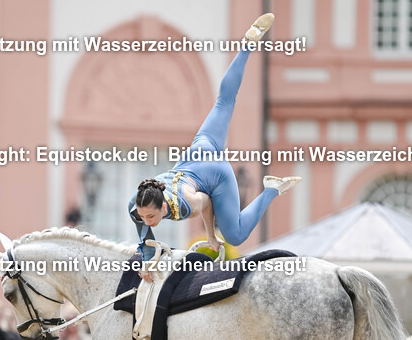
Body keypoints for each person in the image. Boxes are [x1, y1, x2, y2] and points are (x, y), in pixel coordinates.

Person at [129, 14, 301, 276]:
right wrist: (146, 263)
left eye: (151, 217)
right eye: (143, 215)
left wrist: (211, 235)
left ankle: (271, 190)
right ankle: (247, 44)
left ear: (164, 207)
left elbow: (206, 202)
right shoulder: (138, 203)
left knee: (236, 235)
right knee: (224, 101)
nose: (146, 220)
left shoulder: (183, 205)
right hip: (200, 150)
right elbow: (145, 240)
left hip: (215, 173)